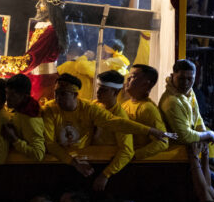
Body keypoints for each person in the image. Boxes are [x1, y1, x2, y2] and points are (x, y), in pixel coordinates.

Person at [42, 73, 171, 178]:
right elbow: (50, 143)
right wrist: (74, 163)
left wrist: (150, 131)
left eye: (63, 93)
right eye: (56, 93)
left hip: (96, 164)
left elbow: (118, 125)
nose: (57, 97)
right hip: (64, 161)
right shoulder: (50, 109)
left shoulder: (91, 109)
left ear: (75, 95)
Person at [0, 0, 68, 103]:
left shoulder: (51, 32)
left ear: (50, 7)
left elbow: (28, 62)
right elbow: (14, 28)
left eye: (41, 2)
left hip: (43, 85)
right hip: (33, 80)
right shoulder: (40, 26)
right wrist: (7, 6)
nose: (36, 5)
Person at [158, 59, 214, 152]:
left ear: (195, 77)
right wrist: (209, 134)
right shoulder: (172, 101)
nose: (185, 83)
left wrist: (203, 132)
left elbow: (197, 118)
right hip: (175, 150)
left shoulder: (188, 91)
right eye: (181, 78)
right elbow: (185, 137)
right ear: (173, 76)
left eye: (190, 79)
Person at [92, 70, 134, 192]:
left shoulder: (119, 116)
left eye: (104, 90)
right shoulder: (96, 106)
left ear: (115, 92)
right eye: (98, 88)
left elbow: (127, 151)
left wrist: (105, 175)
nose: (98, 92)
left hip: (108, 166)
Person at [122, 65, 169, 160]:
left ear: (146, 84)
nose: (128, 79)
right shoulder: (125, 104)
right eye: (129, 76)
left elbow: (163, 142)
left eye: (133, 76)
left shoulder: (148, 109)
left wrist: (134, 156)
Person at [0, 74, 46, 162]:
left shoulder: (30, 118)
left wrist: (14, 139)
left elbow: (38, 154)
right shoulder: (19, 109)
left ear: (25, 96)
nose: (7, 98)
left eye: (13, 94)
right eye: (7, 93)